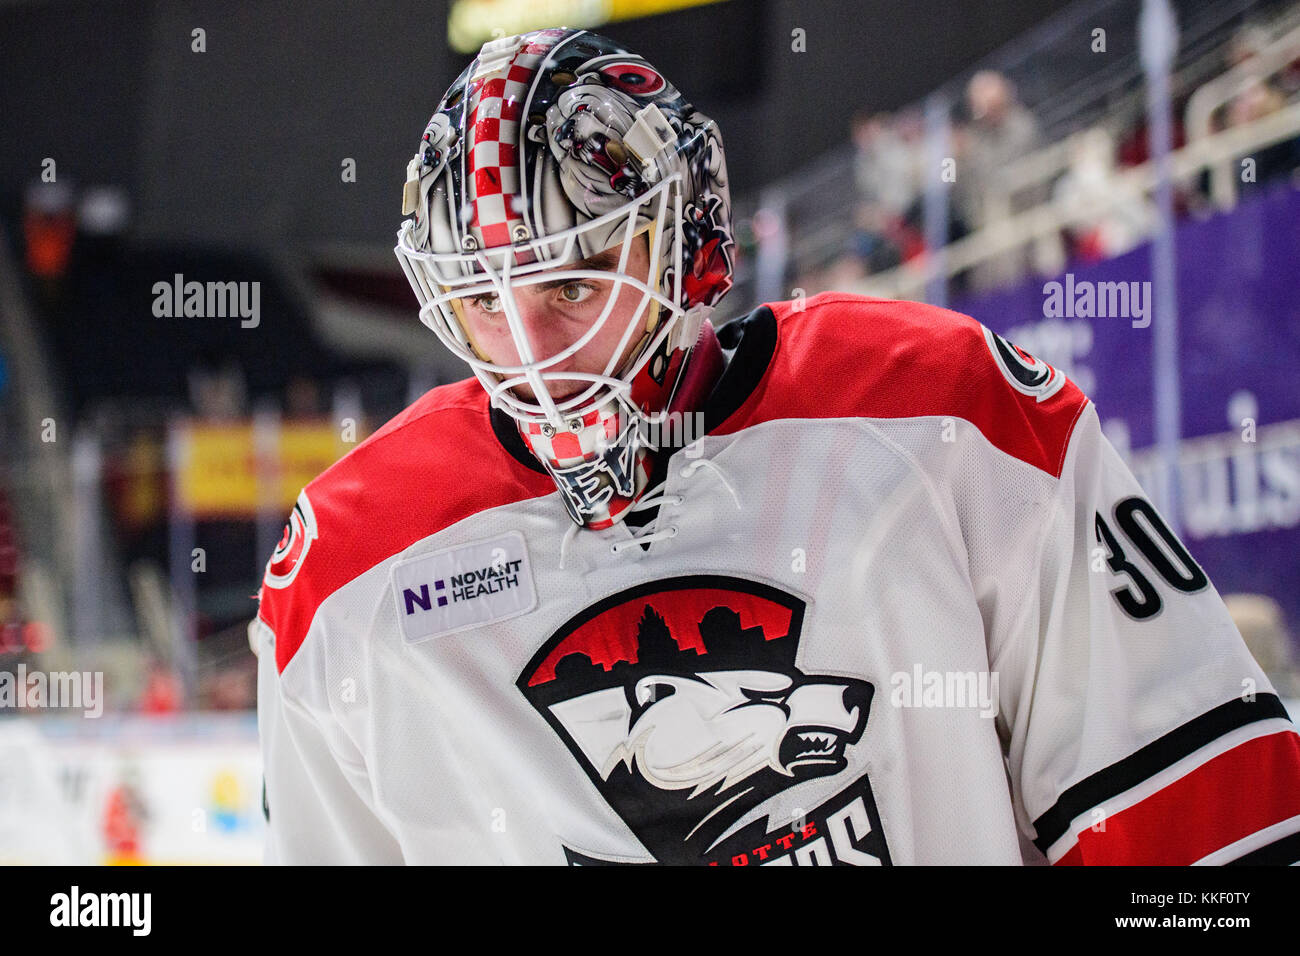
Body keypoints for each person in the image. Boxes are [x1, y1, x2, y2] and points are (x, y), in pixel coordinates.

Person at [253, 28, 1300, 865]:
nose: (535, 354)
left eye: (572, 284)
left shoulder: (949, 417)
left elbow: (1197, 829)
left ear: (684, 241)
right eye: (483, 301)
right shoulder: (348, 574)